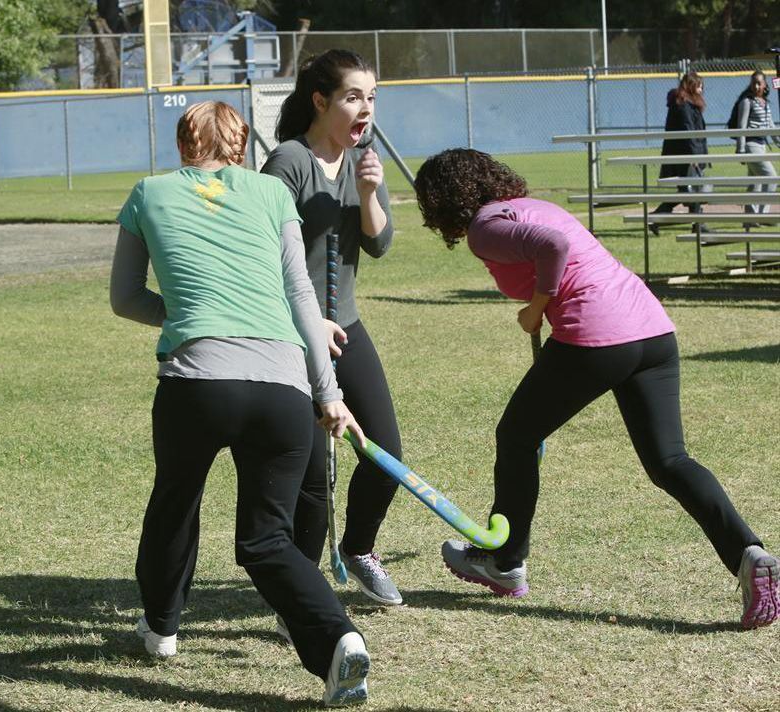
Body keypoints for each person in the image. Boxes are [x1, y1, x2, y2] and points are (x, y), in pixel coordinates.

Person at [413, 147, 779, 630]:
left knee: (517, 436)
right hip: (652, 331)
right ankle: (749, 553)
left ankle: (503, 563)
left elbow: (552, 249)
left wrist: (537, 306)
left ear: (441, 199)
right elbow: (555, 244)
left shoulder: (485, 224)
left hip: (598, 337)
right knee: (670, 462)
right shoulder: (535, 205)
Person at [111, 100, 373, 706]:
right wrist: (328, 393)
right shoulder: (272, 194)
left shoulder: (148, 192)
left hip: (197, 383)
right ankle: (338, 640)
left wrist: (187, 321)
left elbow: (125, 298)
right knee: (267, 540)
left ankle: (161, 629)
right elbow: (302, 298)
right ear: (241, 147)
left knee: (175, 501)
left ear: (183, 145)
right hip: (283, 386)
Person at [260, 49, 404, 607]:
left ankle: (360, 549)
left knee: (384, 451)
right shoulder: (288, 161)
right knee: (314, 477)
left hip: (347, 325)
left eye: (371, 97)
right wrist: (307, 320)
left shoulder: (363, 156)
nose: (365, 108)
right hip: (294, 333)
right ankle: (301, 595)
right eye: (353, 96)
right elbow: (263, 256)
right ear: (320, 101)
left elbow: (380, 242)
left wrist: (369, 192)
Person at [650, 70, 712, 235]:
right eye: (698, 86)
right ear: (691, 86)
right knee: (691, 191)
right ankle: (698, 224)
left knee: (688, 191)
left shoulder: (691, 103)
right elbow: (688, 132)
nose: (701, 89)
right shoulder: (683, 104)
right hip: (685, 156)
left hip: (691, 153)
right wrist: (693, 157)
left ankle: (657, 218)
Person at [733, 70, 779, 226]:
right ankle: (761, 215)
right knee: (772, 178)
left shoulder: (765, 103)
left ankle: (749, 219)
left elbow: (771, 126)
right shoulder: (747, 102)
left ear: (765, 84)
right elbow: (741, 126)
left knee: (755, 184)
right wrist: (740, 150)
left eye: (759, 83)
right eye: (754, 83)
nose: (756, 86)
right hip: (751, 146)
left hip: (762, 146)